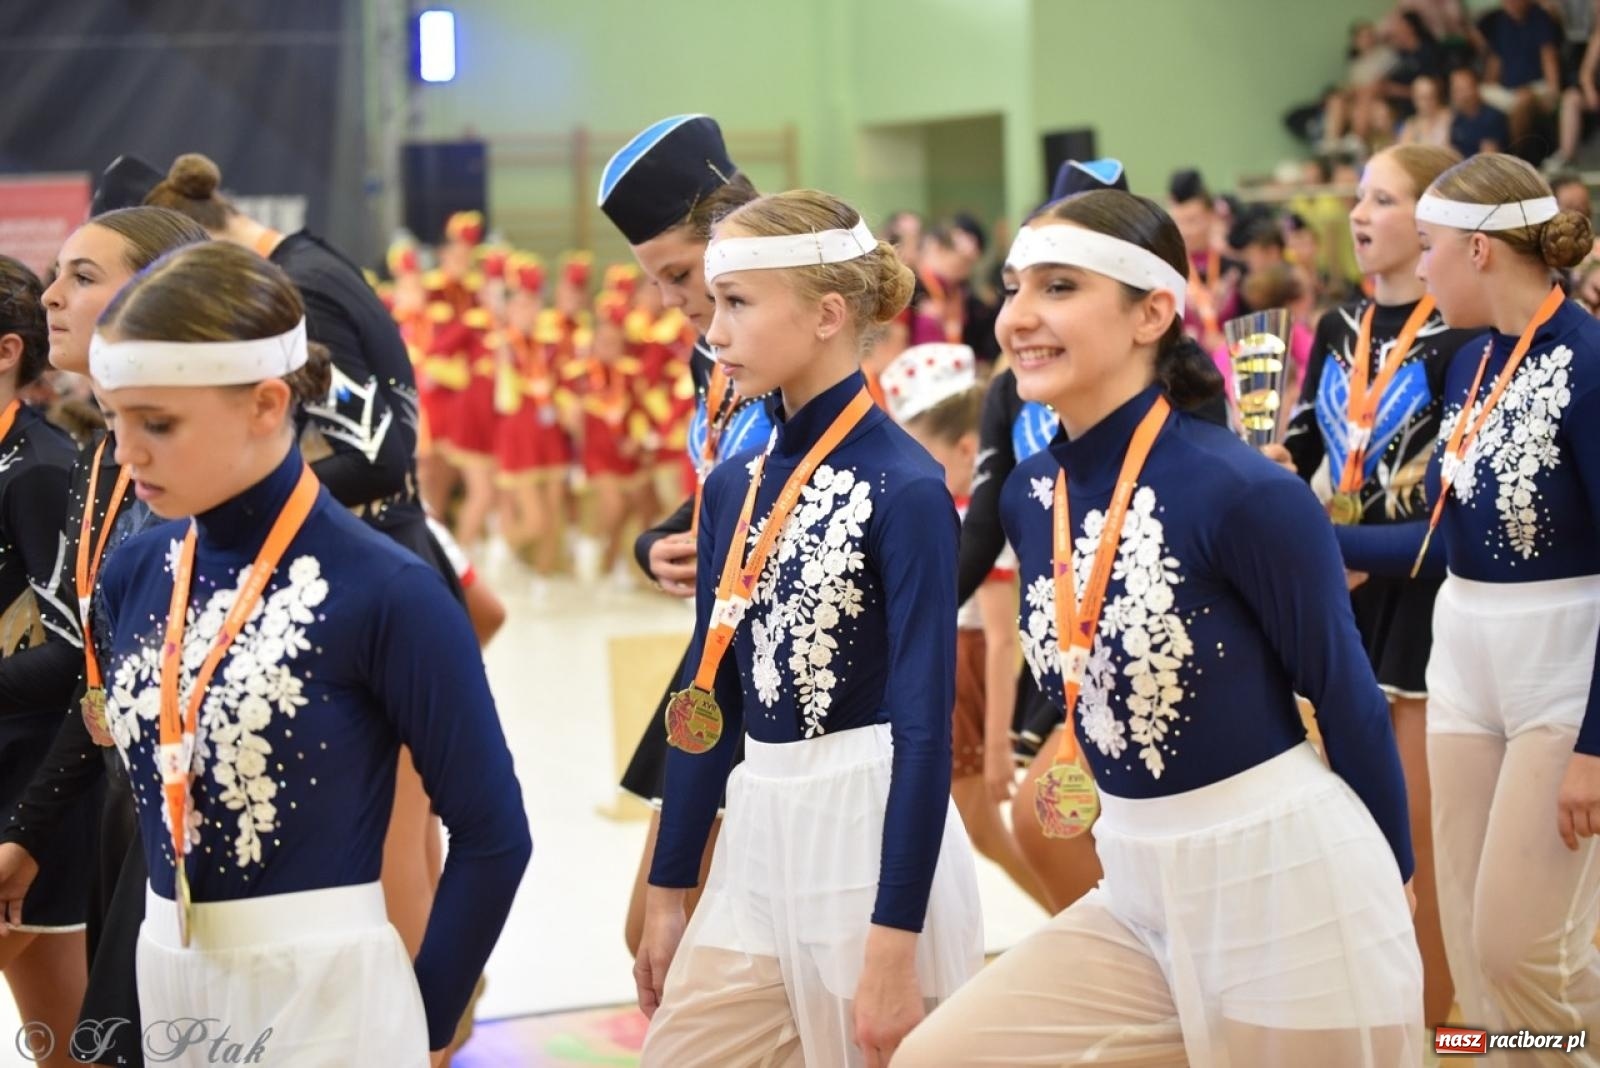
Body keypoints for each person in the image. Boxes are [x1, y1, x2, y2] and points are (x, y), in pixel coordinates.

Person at [895, 189, 1421, 1067]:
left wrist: (1392, 875)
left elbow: (1347, 696)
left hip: (1283, 881)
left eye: (1060, 287)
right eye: (1018, 286)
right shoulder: (1030, 496)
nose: (1020, 316)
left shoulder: (1245, 492)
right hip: (1133, 881)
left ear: (1153, 313)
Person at [75, 241, 531, 1065]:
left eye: (158, 423)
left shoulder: (388, 589)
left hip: (327, 994)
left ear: (265, 403)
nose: (126, 452)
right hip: (166, 973)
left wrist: (420, 1026)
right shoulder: (136, 568)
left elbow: (494, 833)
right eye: (112, 419)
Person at [634, 190, 982, 1067]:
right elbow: (704, 695)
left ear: (829, 315)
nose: (713, 330)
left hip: (866, 832)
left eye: (738, 303)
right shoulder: (731, 484)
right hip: (756, 827)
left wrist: (894, 939)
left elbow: (923, 734)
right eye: (712, 303)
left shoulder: (906, 490)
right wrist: (671, 886)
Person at [1339, 153, 1600, 1059]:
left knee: (1519, 948)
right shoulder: (1471, 363)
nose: (1420, 271)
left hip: (1562, 659)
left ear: (1481, 251)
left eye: (1430, 248)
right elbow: (1450, 539)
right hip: (1463, 655)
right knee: (1479, 967)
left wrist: (1597, 746)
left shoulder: (1590, 360)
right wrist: (1316, 540)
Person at [1269, 143, 1475, 1029]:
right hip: (1340, 596)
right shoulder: (1341, 327)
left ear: (1429, 223)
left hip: (1418, 599)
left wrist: (1340, 536)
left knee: (1420, 849)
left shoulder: (1462, 335)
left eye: (1382, 200)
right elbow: (1320, 451)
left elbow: (1451, 507)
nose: (1358, 215)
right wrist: (1280, 469)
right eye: (1357, 196)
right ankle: (1368, 1023)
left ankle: (1447, 1036)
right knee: (1345, 844)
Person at [0, 205, 210, 1068]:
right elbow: (101, 688)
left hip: (206, 844)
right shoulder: (97, 460)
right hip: (122, 815)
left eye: (81, 277)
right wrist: (29, 832)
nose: (50, 296)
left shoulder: (203, 467)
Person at [596, 115, 774, 957]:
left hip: (771, 671)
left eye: (677, 275)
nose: (670, 301)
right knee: (662, 941)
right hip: (714, 654)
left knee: (668, 942)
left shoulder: (787, 353)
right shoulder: (715, 353)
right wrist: (659, 542)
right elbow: (718, 481)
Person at [881, 343, 1047, 910]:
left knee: (982, 828)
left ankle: (1076, 913)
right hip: (938, 670)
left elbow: (1003, 641)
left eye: (920, 451)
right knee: (968, 831)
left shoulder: (977, 521)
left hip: (967, 675)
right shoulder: (936, 507)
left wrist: (999, 743)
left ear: (968, 448)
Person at [0, 256, 99, 1068]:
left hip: (29, 783)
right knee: (67, 1047)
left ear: (5, 352)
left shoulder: (40, 469)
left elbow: (73, 655)